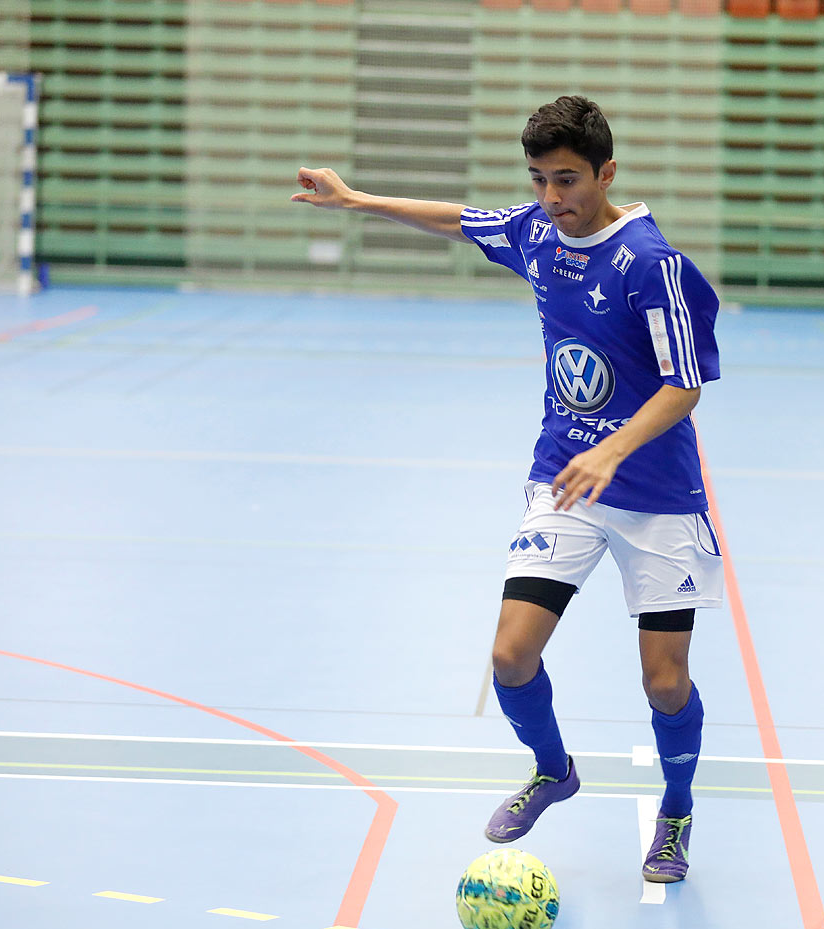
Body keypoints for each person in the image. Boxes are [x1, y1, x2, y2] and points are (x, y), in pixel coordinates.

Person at [291, 96, 722, 883]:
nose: (553, 198)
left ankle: (677, 810)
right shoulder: (535, 231)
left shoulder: (651, 264)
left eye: (567, 180)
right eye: (539, 180)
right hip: (564, 475)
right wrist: (355, 199)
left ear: (607, 173)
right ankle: (553, 770)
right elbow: (459, 220)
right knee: (510, 656)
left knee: (664, 682)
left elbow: (684, 387)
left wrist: (616, 450)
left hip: (657, 495)